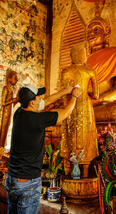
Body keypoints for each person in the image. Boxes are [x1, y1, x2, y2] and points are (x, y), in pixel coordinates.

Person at [5, 83, 81, 214]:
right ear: (32, 104)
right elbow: (66, 113)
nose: (41, 99)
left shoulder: (19, 112)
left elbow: (44, 102)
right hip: (27, 183)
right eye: (38, 97)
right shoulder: (38, 120)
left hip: (12, 179)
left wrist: (64, 91)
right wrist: (74, 96)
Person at [86, 12, 116, 121]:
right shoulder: (85, 61)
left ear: (106, 33)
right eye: (88, 32)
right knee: (52, 111)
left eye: (96, 30)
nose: (91, 34)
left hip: (103, 103)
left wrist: (99, 98)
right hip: (84, 104)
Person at [60, 44, 99, 178]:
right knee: (86, 135)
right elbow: (96, 95)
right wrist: (85, 92)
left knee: (72, 135)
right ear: (85, 56)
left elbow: (64, 95)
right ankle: (86, 172)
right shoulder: (90, 71)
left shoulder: (65, 71)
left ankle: (71, 171)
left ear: (71, 56)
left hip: (71, 106)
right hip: (86, 106)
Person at [0, 70, 19, 148]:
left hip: (10, 112)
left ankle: (3, 148)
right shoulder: (6, 88)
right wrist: (14, 100)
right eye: (15, 78)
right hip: (5, 114)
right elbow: (3, 103)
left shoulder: (12, 89)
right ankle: (1, 149)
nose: (17, 80)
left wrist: (17, 97)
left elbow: (12, 103)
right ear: (9, 79)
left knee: (8, 131)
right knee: (3, 132)